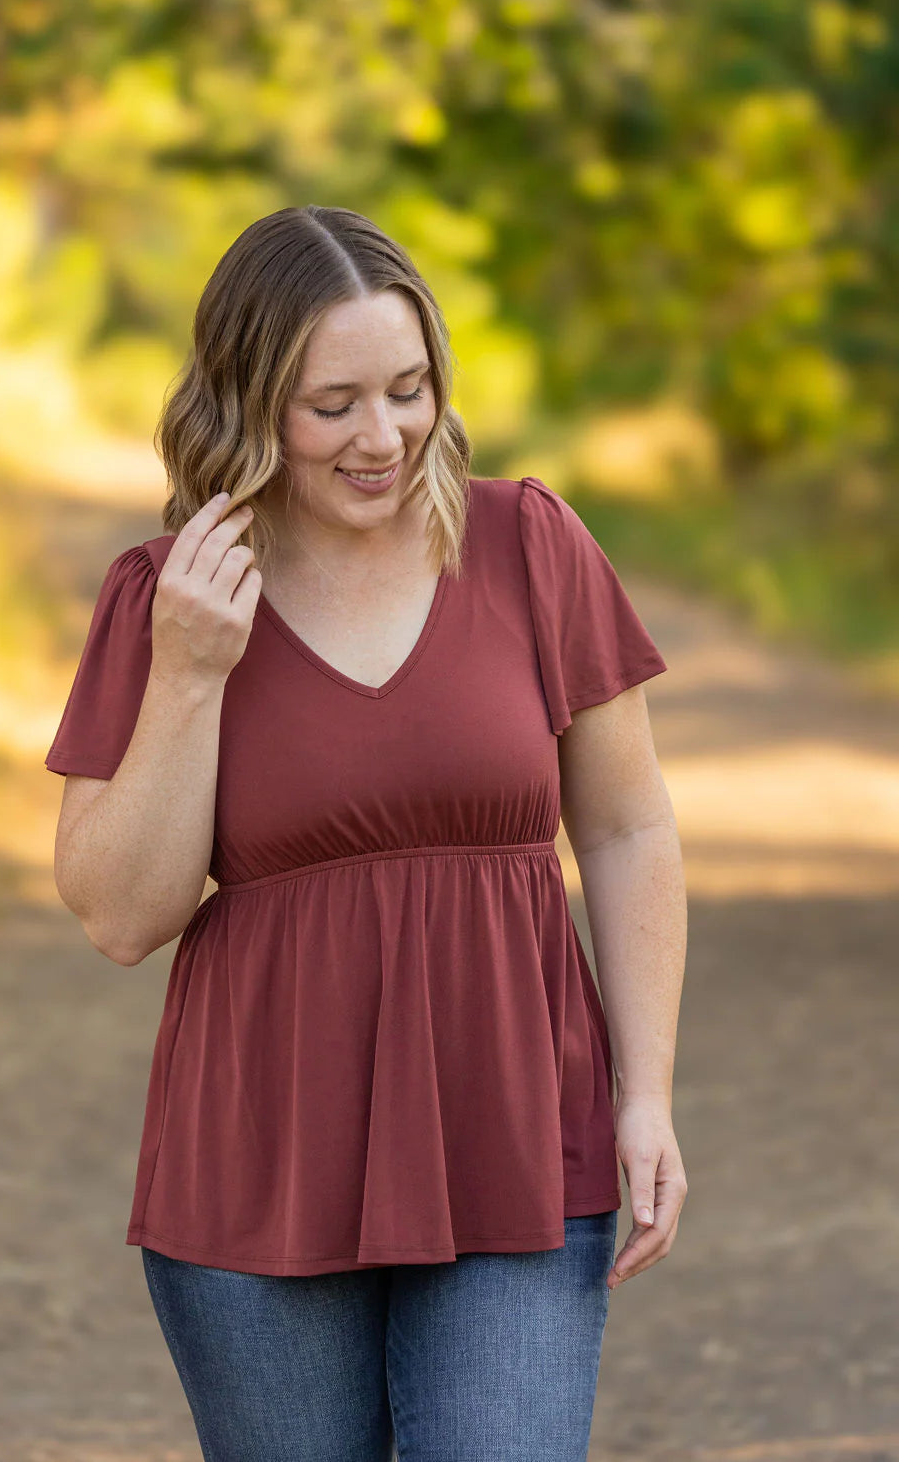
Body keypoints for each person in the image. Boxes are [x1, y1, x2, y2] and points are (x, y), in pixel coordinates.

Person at [45, 204, 688, 1462]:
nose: (382, 435)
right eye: (331, 403)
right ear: (247, 400)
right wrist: (188, 675)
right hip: (259, 1167)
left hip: (519, 1139)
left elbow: (625, 826)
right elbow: (122, 916)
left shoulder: (527, 542)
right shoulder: (169, 596)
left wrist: (646, 1093)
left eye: (407, 388)